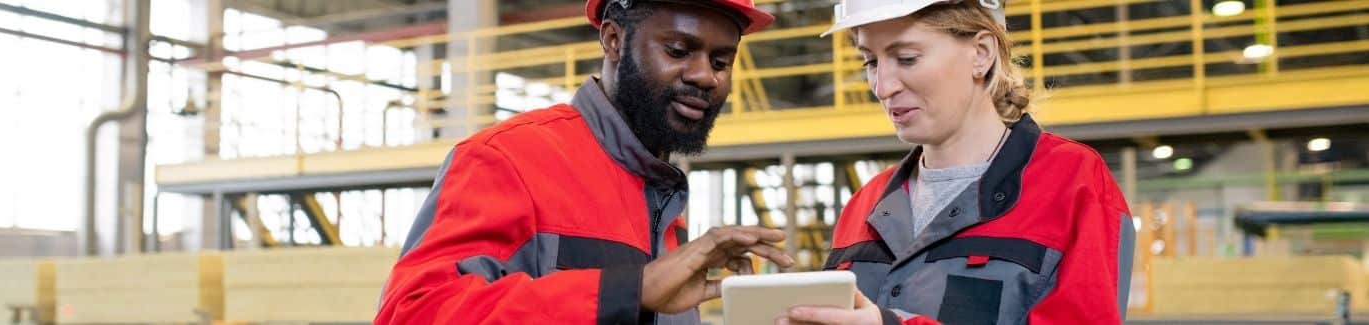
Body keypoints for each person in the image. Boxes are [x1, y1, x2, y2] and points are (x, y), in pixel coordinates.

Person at [374, 1, 791, 324]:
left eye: (722, 62)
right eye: (679, 50)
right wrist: (630, 290)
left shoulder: (659, 190)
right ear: (613, 40)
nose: (706, 76)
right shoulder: (508, 159)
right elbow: (413, 313)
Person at [783, 0, 1137, 324]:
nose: (882, 86)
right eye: (871, 62)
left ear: (981, 53)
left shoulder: (1074, 184)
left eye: (906, 58)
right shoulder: (865, 205)